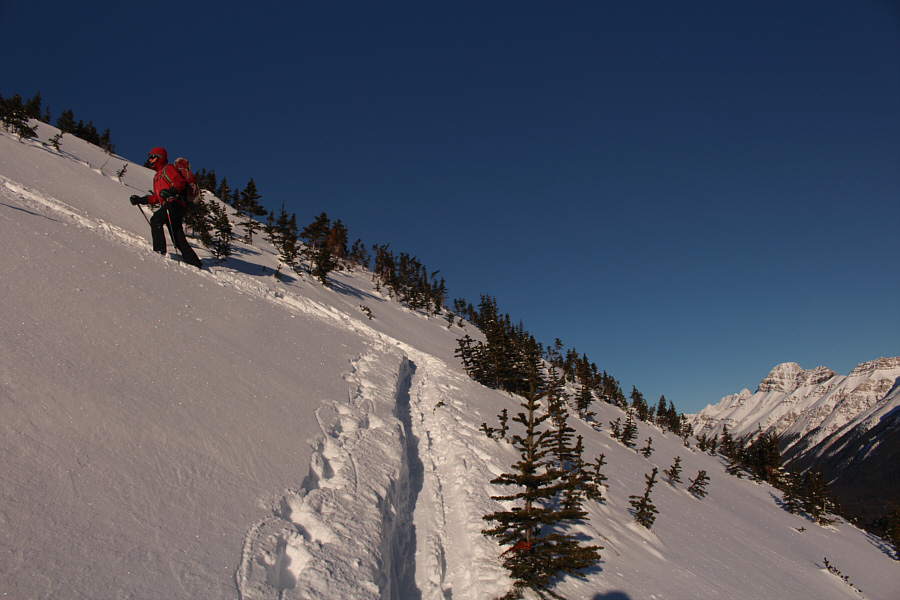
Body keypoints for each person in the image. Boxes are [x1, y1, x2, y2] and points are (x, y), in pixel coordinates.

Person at [130, 147, 202, 269]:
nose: (150, 159)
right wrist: (140, 200)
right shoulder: (157, 177)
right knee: (178, 238)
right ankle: (196, 264)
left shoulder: (168, 169)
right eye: (149, 157)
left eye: (153, 156)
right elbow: (157, 198)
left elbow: (180, 182)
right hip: (170, 205)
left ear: (160, 157)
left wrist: (171, 192)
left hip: (175, 203)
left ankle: (159, 252)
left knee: (156, 219)